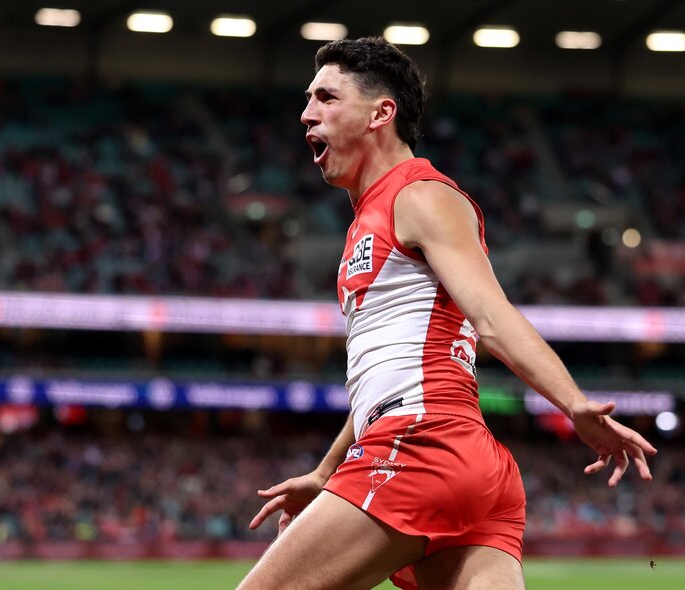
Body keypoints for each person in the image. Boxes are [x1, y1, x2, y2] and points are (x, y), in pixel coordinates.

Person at [238, 37, 657, 590]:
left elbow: (491, 316)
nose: (306, 112)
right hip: (457, 458)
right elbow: (385, 380)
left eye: (326, 97)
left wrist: (573, 403)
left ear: (380, 113)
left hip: (420, 446)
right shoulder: (373, 216)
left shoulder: (420, 196)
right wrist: (325, 472)